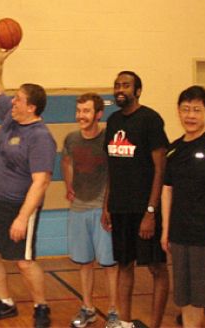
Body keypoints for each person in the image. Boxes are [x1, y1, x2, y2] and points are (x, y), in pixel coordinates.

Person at [0, 47, 57, 328]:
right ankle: (6, 303)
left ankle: (41, 307)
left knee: (23, 262)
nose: (12, 100)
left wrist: (22, 217)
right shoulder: (11, 117)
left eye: (18, 99)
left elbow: (41, 181)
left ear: (31, 107)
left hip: (18, 205)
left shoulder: (40, 137)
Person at [102, 71, 169, 328]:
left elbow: (160, 169)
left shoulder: (150, 120)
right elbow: (112, 166)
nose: (120, 89)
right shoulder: (113, 120)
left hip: (144, 209)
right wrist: (107, 204)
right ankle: (125, 322)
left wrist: (151, 211)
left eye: (126, 85)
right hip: (120, 208)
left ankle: (155, 325)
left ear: (138, 91)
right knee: (124, 265)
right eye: (117, 84)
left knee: (156, 268)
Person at [61, 93, 119, 328]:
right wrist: (68, 186)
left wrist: (108, 206)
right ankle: (88, 309)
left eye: (86, 111)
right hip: (78, 210)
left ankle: (114, 313)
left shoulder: (108, 139)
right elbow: (66, 161)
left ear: (98, 114)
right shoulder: (71, 139)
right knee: (84, 263)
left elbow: (116, 172)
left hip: (101, 210)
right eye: (79, 111)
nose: (80, 116)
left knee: (109, 265)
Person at [161, 85, 205, 328]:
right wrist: (165, 232)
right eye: (185, 109)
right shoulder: (174, 149)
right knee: (187, 300)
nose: (190, 115)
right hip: (180, 236)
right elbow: (167, 190)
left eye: (196, 110)